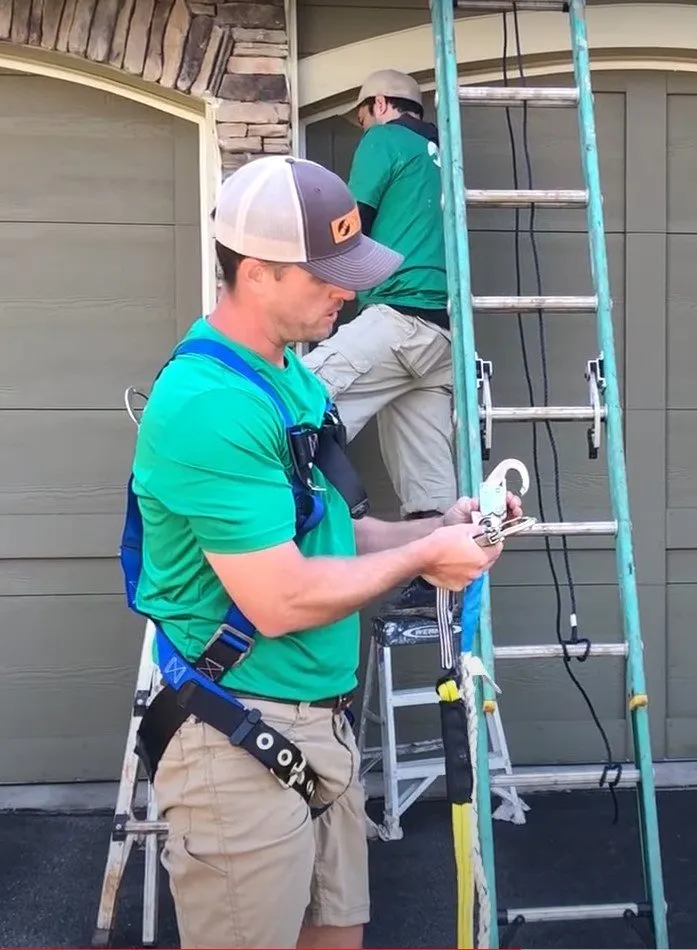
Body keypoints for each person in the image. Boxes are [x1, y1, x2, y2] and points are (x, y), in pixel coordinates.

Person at [127, 154, 519, 950]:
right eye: (327, 276)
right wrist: (422, 562)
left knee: (338, 935)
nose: (348, 292)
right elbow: (279, 598)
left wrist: (437, 529)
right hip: (238, 735)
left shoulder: (293, 383)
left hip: (324, 729)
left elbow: (334, 536)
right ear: (256, 273)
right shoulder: (210, 402)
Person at [303, 68, 455, 620]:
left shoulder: (384, 139)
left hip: (399, 318)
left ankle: (280, 528)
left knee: (292, 398)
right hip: (443, 334)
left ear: (382, 104)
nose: (363, 126)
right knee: (427, 474)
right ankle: (441, 580)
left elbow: (351, 229)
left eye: (363, 114)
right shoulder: (444, 152)